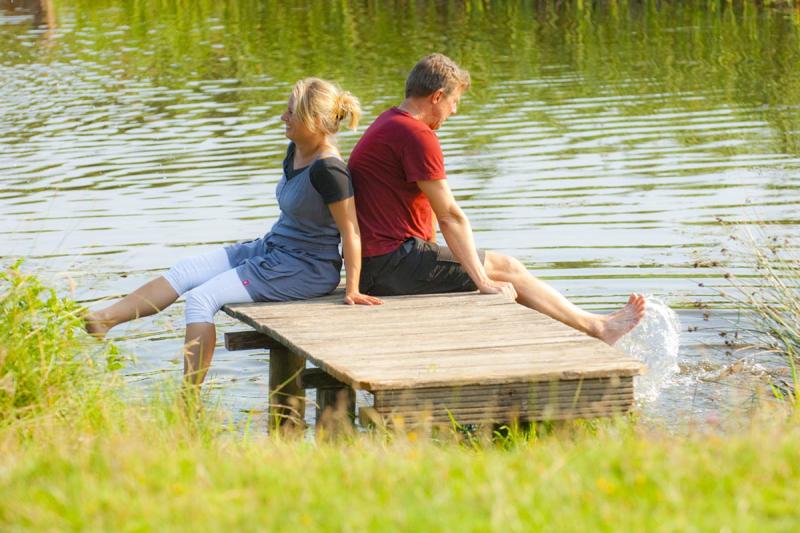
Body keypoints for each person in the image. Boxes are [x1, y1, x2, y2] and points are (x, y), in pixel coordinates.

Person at [86, 78, 382, 386]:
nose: (283, 117)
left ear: (315, 121)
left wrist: (352, 289)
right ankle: (103, 320)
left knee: (200, 300)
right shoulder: (295, 149)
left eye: (291, 112)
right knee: (186, 270)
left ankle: (188, 402)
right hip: (272, 248)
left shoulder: (329, 170)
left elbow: (351, 232)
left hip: (304, 268)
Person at [348, 54, 644, 346]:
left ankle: (568, 335)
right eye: (454, 102)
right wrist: (482, 281)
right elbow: (450, 215)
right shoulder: (416, 134)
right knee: (508, 269)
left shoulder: (388, 121)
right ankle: (597, 327)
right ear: (438, 96)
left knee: (501, 274)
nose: (454, 112)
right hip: (393, 265)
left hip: (378, 264)